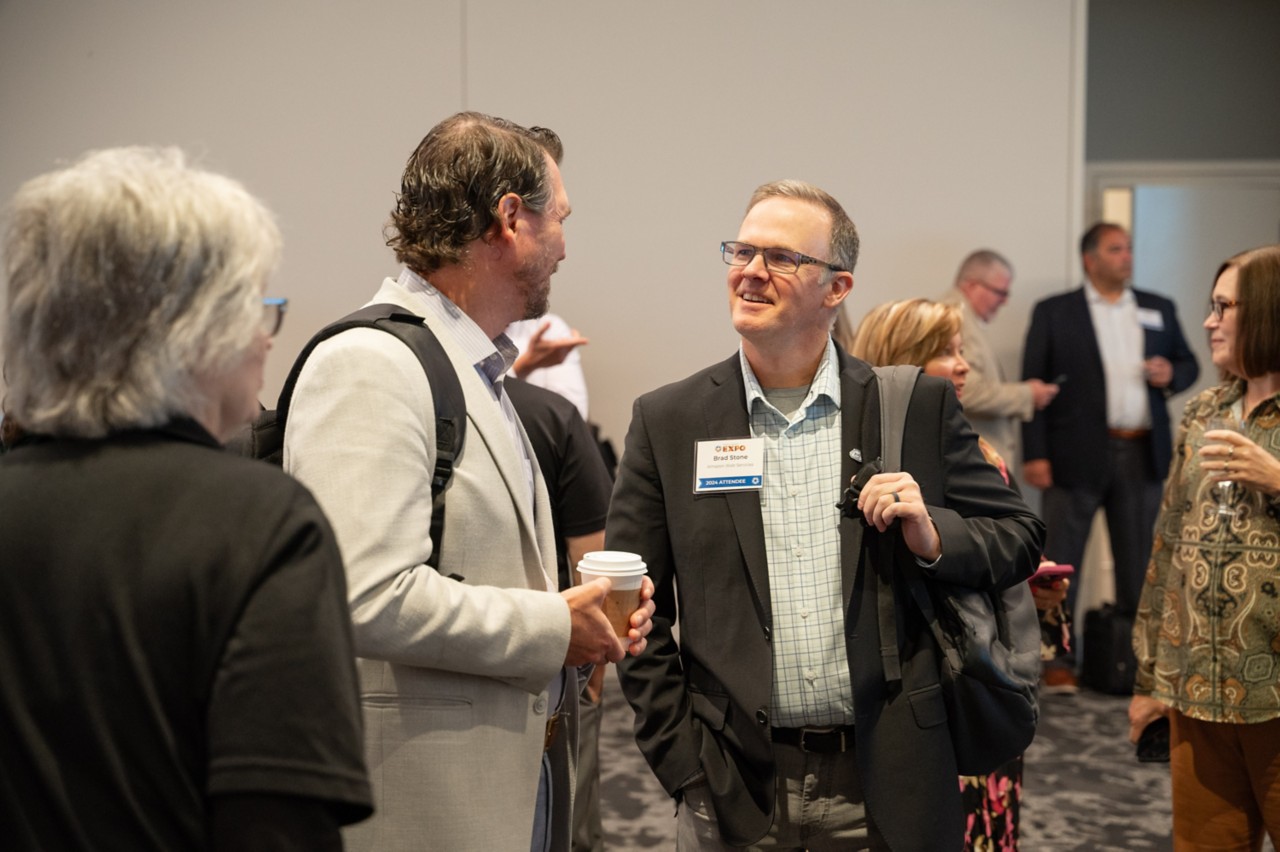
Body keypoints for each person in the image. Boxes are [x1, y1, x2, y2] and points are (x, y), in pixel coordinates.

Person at [607, 179, 1044, 851]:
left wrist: (933, 538)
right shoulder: (670, 421)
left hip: (890, 780)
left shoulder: (913, 407)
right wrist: (683, 761)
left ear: (836, 288)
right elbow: (635, 607)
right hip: (733, 785)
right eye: (741, 251)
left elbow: (1018, 537)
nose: (750, 272)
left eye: (780, 257)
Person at [282, 112, 654, 852]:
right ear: (510, 219)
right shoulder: (371, 363)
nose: (566, 247)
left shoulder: (473, 369)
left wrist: (575, 620)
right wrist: (555, 626)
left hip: (504, 790)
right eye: (560, 220)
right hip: (420, 807)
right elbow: (362, 593)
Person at [0, 147, 373, 849]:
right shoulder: (261, 526)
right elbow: (277, 829)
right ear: (195, 332)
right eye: (262, 307)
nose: (268, 340)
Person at [849, 298, 1070, 851]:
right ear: (902, 364)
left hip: (973, 677)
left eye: (961, 349)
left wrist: (1031, 587)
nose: (963, 364)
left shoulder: (979, 449)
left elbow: (1008, 543)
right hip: (936, 685)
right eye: (944, 352)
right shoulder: (874, 460)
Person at [1128, 245, 1280, 851]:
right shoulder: (1204, 410)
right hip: (1196, 688)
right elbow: (1166, 548)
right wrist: (1148, 678)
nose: (1209, 322)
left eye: (1223, 306)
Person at [1021, 222, 1199, 686]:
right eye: (1116, 249)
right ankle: (1057, 662)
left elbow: (1190, 364)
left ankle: (1133, 663)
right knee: (1060, 563)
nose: (1127, 257)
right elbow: (1032, 386)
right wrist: (1035, 454)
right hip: (1073, 455)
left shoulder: (1157, 307)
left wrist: (1170, 374)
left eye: (1130, 249)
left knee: (1139, 563)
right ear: (1090, 259)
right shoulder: (1055, 312)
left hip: (1141, 452)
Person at [506, 376, 615, 852]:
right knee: (567, 825)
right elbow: (595, 560)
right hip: (557, 666)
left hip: (449, 669)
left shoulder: (408, 399)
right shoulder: (553, 415)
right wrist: (592, 682)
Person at [938, 250, 1059, 469]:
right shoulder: (955, 320)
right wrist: (1027, 394)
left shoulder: (962, 319)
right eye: (1000, 292)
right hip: (972, 460)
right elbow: (966, 392)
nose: (1004, 302)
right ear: (972, 285)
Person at [507, 313, 591, 419]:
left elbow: (573, 414)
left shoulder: (548, 326)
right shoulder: (481, 331)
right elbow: (486, 404)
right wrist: (524, 366)